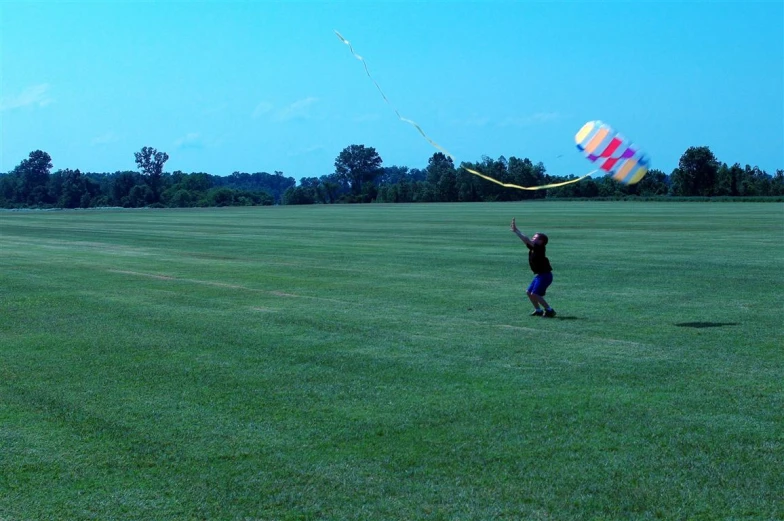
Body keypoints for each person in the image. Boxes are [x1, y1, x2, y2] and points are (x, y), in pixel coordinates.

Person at [510, 217, 556, 317]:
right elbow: (525, 240)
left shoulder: (540, 248)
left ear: (541, 241)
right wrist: (516, 231)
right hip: (540, 275)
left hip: (545, 275)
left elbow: (526, 239)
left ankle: (549, 310)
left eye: (535, 238)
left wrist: (517, 230)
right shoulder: (534, 247)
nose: (532, 238)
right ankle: (538, 310)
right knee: (529, 292)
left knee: (535, 294)